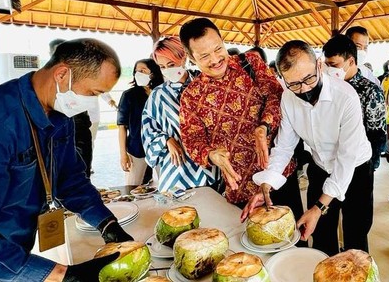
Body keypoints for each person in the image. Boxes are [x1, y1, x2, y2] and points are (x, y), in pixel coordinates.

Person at [0, 39, 133, 281]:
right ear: (62, 74)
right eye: (94, 93)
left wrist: (105, 223)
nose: (92, 102)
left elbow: (70, 180)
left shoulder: (61, 115)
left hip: (17, 251)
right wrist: (60, 275)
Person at [241, 40, 373, 257]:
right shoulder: (288, 97)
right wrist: (267, 183)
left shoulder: (346, 97)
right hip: (320, 166)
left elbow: (346, 159)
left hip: (356, 169)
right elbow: (284, 146)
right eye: (294, 84)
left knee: (355, 235)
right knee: (320, 234)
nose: (304, 89)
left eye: (309, 78)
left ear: (319, 65)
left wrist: (319, 208)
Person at [177, 18, 302, 219]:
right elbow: (192, 141)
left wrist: (264, 127)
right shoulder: (191, 96)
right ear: (191, 59)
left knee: (293, 238)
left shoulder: (250, 63)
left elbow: (277, 97)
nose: (216, 59)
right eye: (205, 56)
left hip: (278, 172)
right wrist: (211, 155)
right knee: (250, 245)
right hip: (240, 185)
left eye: (218, 49)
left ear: (223, 41)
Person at [142, 36, 218, 192]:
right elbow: (147, 129)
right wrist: (166, 140)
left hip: (210, 161)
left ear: (183, 58)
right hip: (177, 166)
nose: (167, 70)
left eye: (171, 64)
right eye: (162, 67)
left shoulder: (205, 84)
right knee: (180, 212)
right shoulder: (158, 95)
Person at [322, 34, 386, 174]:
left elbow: (376, 135)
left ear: (351, 61)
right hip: (327, 163)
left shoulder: (370, 91)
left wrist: (370, 165)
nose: (329, 70)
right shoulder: (326, 86)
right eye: (327, 65)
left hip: (358, 165)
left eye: (334, 65)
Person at [49, 39, 94, 177]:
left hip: (79, 130)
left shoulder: (81, 76)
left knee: (82, 172)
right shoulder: (47, 79)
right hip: (55, 133)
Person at [118, 58, 164, 185]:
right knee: (132, 187)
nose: (139, 74)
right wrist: (123, 154)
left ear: (153, 73)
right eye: (136, 71)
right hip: (136, 149)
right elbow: (122, 127)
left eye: (143, 70)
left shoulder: (161, 93)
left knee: (163, 186)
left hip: (160, 147)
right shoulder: (129, 95)